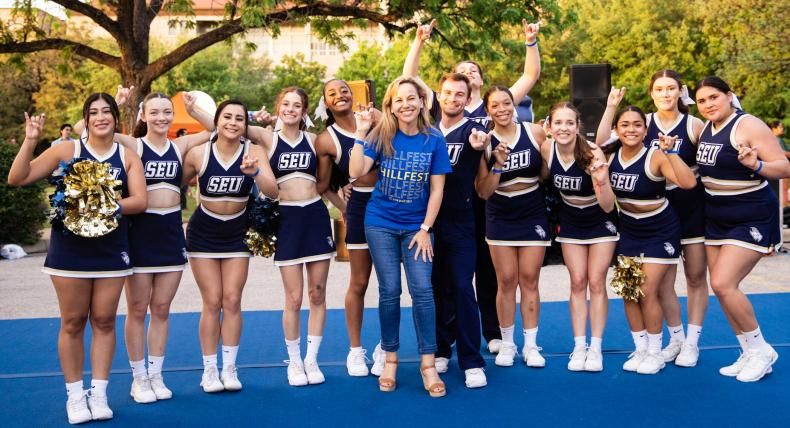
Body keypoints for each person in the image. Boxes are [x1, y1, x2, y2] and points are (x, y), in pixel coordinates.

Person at [403, 18, 541, 355]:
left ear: (477, 81)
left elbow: (529, 76)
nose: (468, 72)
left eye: (473, 69)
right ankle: (446, 338)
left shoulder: (494, 104)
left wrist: (530, 41)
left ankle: (493, 332)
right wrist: (419, 41)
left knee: (486, 269)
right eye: (461, 70)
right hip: (444, 201)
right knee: (449, 277)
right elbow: (409, 78)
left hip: (484, 198)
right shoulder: (444, 106)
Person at [7, 94, 147, 424]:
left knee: (104, 320)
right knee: (72, 322)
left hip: (112, 249)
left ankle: (98, 394)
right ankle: (74, 396)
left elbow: (140, 200)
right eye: (93, 112)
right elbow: (18, 178)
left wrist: (101, 204)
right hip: (70, 251)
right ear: (86, 118)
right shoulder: (67, 150)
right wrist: (29, 142)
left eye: (106, 112)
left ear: (115, 118)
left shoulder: (127, 155)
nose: (101, 117)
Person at [349, 76, 452, 397]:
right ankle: (390, 358)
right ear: (390, 107)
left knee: (423, 291)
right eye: (398, 100)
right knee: (390, 290)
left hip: (417, 228)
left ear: (422, 102)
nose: (406, 105)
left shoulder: (434, 139)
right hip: (380, 223)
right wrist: (360, 131)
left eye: (411, 98)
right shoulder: (382, 135)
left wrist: (425, 229)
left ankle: (428, 364)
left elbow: (437, 190)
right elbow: (355, 171)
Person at [694, 76, 790, 381]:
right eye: (702, 100)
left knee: (723, 283)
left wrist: (756, 166)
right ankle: (748, 351)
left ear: (729, 95)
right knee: (721, 289)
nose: (708, 104)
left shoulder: (748, 125)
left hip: (751, 214)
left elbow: (784, 167)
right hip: (716, 215)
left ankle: (762, 350)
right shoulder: (706, 127)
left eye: (713, 97)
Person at [596, 89, 697, 374]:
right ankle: (640, 349)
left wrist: (673, 153)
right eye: (625, 124)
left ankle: (655, 351)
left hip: (661, 230)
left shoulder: (655, 156)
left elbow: (688, 183)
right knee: (628, 292)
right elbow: (605, 205)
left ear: (646, 129)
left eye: (637, 125)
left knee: (647, 291)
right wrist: (601, 180)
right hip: (629, 229)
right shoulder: (610, 156)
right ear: (618, 129)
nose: (631, 129)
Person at [182, 99, 278, 392]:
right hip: (203, 232)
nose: (233, 123)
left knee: (233, 299)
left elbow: (273, 191)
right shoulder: (199, 153)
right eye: (227, 117)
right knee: (212, 300)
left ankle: (230, 368)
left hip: (238, 231)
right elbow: (175, 187)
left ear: (245, 125)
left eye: (239, 118)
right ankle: (209, 370)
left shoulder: (255, 152)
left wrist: (255, 174)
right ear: (217, 121)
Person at [243, 88, 336, 386]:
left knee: (317, 294)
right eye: (286, 104)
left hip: (315, 217)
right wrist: (195, 108)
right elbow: (227, 123)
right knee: (294, 298)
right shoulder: (269, 138)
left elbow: (330, 176)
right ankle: (294, 361)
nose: (291, 109)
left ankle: (312, 359)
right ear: (278, 107)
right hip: (287, 220)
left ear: (305, 110)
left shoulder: (314, 140)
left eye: (297, 105)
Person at [425, 72, 491, 387]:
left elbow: (483, 183)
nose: (453, 99)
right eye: (448, 93)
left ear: (468, 98)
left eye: (459, 94)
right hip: (428, 224)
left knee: (464, 288)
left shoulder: (475, 132)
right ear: (439, 95)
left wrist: (481, 149)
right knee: (437, 289)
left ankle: (471, 360)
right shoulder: (425, 132)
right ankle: (440, 347)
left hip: (463, 222)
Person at [476, 85, 549, 368]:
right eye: (495, 105)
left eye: (506, 103)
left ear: (513, 104)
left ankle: (531, 345)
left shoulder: (534, 133)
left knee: (529, 280)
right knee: (505, 281)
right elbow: (483, 191)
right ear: (488, 110)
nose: (502, 109)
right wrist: (498, 164)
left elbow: (545, 173)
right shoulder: (484, 142)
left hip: (531, 213)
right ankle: (507, 343)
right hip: (499, 215)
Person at [314, 79, 383, 377]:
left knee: (390, 285)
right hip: (360, 208)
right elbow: (322, 185)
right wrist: (343, 205)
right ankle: (356, 351)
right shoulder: (326, 140)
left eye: (344, 90)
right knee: (359, 282)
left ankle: (386, 346)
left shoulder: (377, 118)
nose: (340, 96)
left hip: (391, 203)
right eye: (332, 94)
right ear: (326, 104)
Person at [542, 102, 617, 372]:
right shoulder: (546, 149)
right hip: (571, 220)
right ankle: (579, 345)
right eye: (558, 123)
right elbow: (542, 179)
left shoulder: (591, 153)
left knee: (596, 282)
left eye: (569, 123)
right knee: (577, 282)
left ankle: (596, 347)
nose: (563, 128)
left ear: (577, 126)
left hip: (599, 219)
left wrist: (600, 179)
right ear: (549, 127)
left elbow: (608, 205)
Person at [643, 70, 709, 367]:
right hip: (659, 211)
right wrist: (609, 108)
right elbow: (605, 140)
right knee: (663, 283)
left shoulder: (694, 125)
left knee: (695, 276)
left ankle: (693, 343)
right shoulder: (642, 123)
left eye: (671, 88)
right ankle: (677, 339)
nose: (666, 94)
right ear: (652, 93)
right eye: (660, 89)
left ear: (680, 92)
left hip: (691, 208)